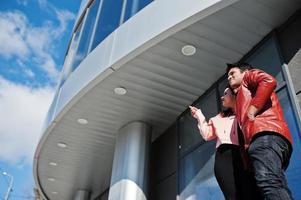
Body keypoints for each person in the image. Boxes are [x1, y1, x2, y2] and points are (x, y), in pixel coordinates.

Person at [227, 62, 293, 200]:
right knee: (275, 184)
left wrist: (254, 107)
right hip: (267, 138)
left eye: (233, 73)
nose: (229, 77)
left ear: (245, 72)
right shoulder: (240, 97)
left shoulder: (248, 77)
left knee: (268, 182)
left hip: (265, 135)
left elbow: (268, 80)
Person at [190, 87, 252, 200]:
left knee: (248, 192)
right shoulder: (219, 117)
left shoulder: (245, 110)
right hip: (224, 157)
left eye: (225, 94)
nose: (222, 97)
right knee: (232, 195)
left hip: (243, 155)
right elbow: (207, 135)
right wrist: (199, 115)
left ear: (234, 95)